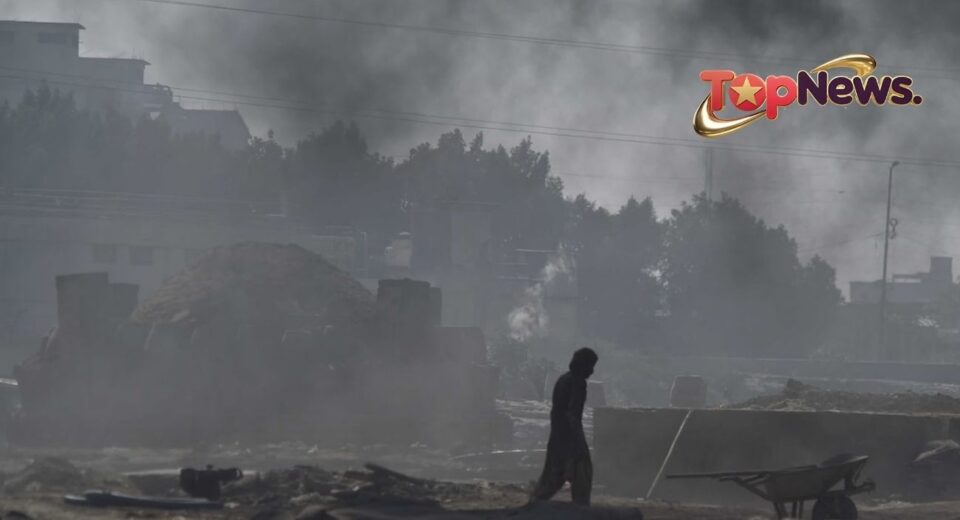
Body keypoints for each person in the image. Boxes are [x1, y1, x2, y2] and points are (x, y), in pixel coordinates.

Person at [531, 347, 598, 506]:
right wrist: (579, 443)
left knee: (552, 478)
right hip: (570, 440)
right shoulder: (577, 383)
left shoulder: (563, 379)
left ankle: (532, 507)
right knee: (582, 476)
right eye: (590, 366)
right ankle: (581, 512)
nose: (592, 371)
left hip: (557, 437)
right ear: (583, 365)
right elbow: (573, 415)